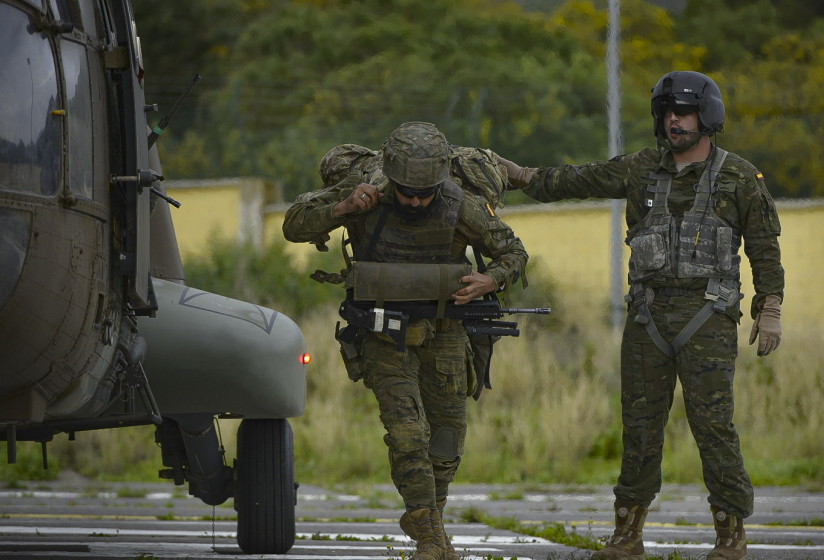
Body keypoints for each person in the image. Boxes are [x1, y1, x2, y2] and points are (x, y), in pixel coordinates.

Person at [501, 71, 784, 560]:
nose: (674, 120)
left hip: (708, 317)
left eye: (684, 112)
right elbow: (579, 179)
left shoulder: (740, 177)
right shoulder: (641, 168)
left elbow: (764, 248)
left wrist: (771, 306)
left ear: (707, 117)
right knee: (639, 428)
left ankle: (730, 534)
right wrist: (520, 176)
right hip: (648, 317)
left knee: (713, 426)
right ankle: (627, 535)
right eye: (668, 112)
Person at [282, 122, 528, 560]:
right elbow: (294, 224)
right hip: (383, 334)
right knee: (408, 433)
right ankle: (431, 538)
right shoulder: (365, 191)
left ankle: (428, 517)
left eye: (424, 194)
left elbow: (514, 251)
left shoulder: (460, 205)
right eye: (406, 192)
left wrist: (491, 279)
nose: (415, 201)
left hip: (445, 331)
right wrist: (342, 208)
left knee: (447, 439)